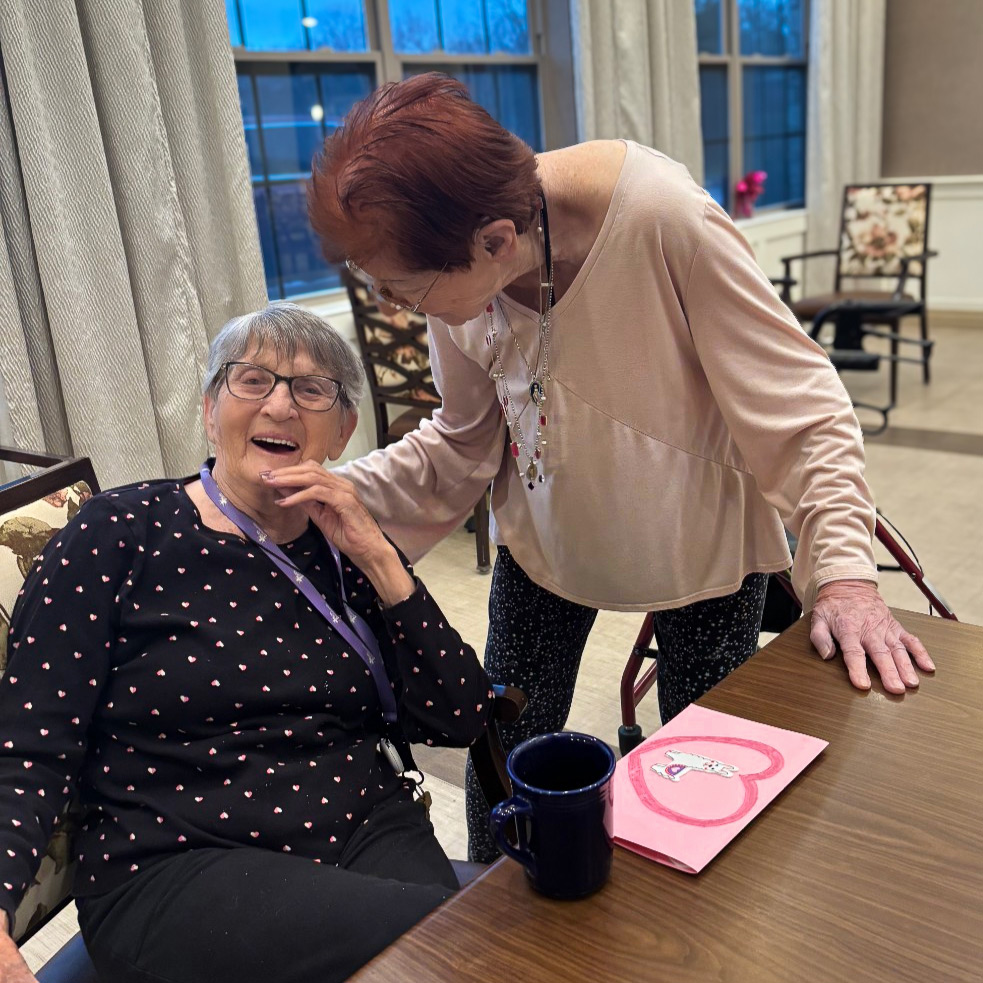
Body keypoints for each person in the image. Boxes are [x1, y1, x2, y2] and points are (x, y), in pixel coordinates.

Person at [306, 73, 935, 863]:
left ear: (496, 239)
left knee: (710, 776)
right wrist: (337, 495)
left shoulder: (663, 218)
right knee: (500, 752)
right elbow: (463, 440)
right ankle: (491, 925)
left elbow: (804, 408)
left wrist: (843, 573)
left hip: (700, 547)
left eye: (407, 289)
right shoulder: (468, 275)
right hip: (544, 547)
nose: (401, 310)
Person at [0, 302, 492, 983]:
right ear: (209, 410)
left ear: (344, 429)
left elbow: (460, 716)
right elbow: (28, 742)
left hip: (362, 824)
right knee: (459, 947)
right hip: (179, 856)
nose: (281, 406)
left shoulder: (345, 543)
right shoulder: (120, 533)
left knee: (452, 941)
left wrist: (380, 558)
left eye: (312, 389)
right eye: (252, 379)